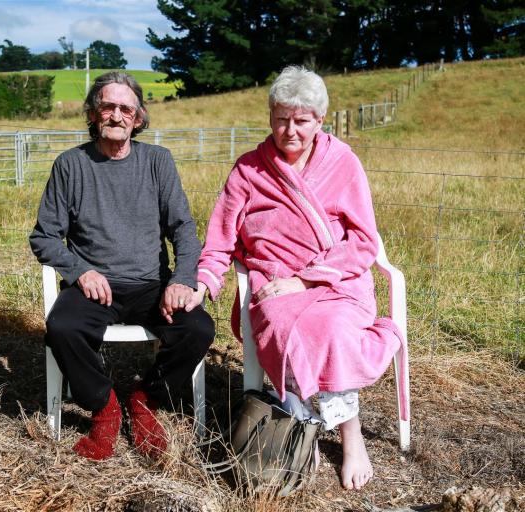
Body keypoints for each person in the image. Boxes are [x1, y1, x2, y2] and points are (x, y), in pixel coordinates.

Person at [185, 66, 405, 490]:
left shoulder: (343, 162)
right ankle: (299, 423)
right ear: (270, 117)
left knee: (333, 329)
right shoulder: (249, 170)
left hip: (337, 281)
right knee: (293, 328)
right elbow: (221, 239)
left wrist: (308, 281)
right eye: (282, 118)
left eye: (301, 120)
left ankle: (350, 435)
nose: (290, 130)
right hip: (274, 285)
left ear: (320, 120)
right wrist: (205, 282)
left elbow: (363, 240)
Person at [30, 71, 215, 461]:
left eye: (125, 108)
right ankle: (104, 408)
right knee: (62, 327)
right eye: (107, 106)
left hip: (151, 284)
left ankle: (146, 399)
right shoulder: (70, 165)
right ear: (93, 113)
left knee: (198, 328)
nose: (116, 115)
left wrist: (182, 280)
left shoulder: (157, 161)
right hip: (94, 286)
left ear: (139, 117)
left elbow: (183, 228)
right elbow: (44, 236)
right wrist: (80, 271)